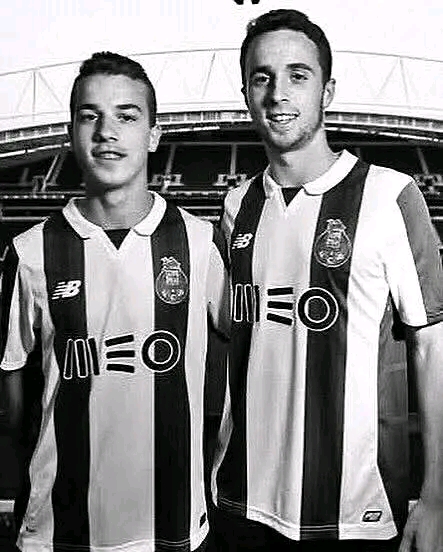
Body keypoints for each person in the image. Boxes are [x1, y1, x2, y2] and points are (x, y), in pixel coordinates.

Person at [210, 9, 443, 552]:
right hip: (240, 502)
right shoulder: (237, 205)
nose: (278, 94)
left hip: (356, 514)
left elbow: (432, 348)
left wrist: (436, 496)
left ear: (327, 91)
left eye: (298, 75)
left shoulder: (389, 195)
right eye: (262, 77)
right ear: (246, 94)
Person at [0, 51, 229, 552]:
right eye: (91, 116)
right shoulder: (30, 252)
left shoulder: (201, 243)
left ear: (154, 135)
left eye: (126, 116)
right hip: (58, 532)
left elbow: (252, 357)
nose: (107, 131)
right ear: (71, 133)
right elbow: (12, 408)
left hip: (175, 527)